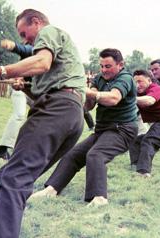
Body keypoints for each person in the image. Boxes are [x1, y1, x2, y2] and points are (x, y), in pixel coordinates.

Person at [0, 9, 86, 238]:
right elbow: (47, 90)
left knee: (14, 178)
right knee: (0, 179)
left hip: (56, 111)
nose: (24, 40)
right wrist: (25, 87)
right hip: (70, 114)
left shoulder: (49, 31)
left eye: (24, 33)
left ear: (36, 22)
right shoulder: (61, 52)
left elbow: (42, 63)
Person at [30, 48, 138, 206]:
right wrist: (75, 93)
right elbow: (89, 105)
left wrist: (89, 92)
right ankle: (52, 189)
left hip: (123, 130)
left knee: (96, 155)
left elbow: (114, 98)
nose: (103, 70)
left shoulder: (125, 78)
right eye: (101, 66)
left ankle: (99, 198)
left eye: (108, 66)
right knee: (72, 155)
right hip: (103, 130)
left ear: (121, 64)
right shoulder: (100, 79)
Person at [0, 39, 34, 160]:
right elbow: (27, 49)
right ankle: (3, 149)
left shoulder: (43, 57)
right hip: (19, 88)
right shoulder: (31, 52)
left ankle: (28, 147)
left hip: (32, 90)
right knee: (19, 115)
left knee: (43, 114)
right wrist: (14, 46)